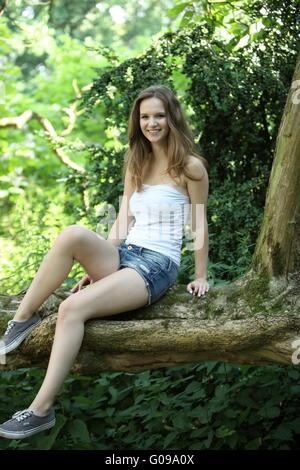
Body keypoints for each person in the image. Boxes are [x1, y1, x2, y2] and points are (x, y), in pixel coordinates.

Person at [0, 84, 209, 440]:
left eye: (159, 115)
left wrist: (202, 275)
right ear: (137, 120)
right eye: (145, 117)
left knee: (71, 309)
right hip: (127, 255)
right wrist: (96, 270)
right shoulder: (137, 160)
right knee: (72, 234)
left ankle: (41, 410)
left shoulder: (190, 167)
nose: (152, 123)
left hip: (156, 265)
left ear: (172, 118)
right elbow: (123, 221)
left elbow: (199, 222)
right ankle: (21, 321)